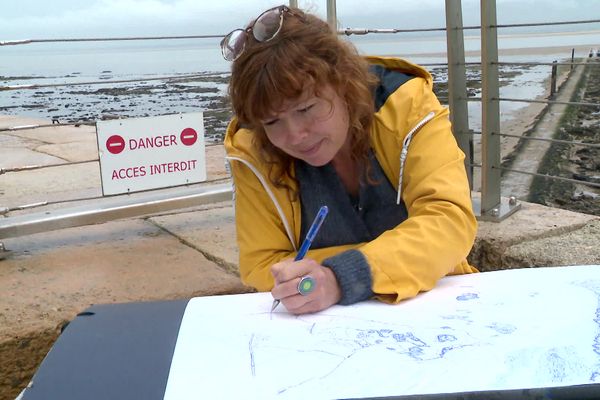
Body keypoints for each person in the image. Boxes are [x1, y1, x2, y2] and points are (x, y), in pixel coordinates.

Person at [222, 5, 478, 315]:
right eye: (272, 122)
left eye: (305, 109)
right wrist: (409, 255)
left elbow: (450, 221)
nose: (295, 136)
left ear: (343, 82)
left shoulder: (408, 105)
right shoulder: (253, 149)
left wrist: (339, 277)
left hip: (441, 309)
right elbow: (260, 263)